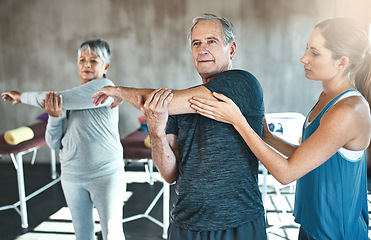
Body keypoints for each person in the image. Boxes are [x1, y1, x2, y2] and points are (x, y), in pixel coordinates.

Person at [189, 18, 371, 240]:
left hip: (338, 233)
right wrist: (267, 137)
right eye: (307, 49)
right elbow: (306, 157)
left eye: (314, 53)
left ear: (342, 62)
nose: (303, 58)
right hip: (314, 226)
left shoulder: (349, 110)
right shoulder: (326, 98)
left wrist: (239, 121)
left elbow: (287, 173)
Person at [92, 13, 267, 240]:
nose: (202, 49)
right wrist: (156, 133)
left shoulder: (243, 83)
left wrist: (118, 91)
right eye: (196, 43)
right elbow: (169, 173)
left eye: (211, 41)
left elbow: (165, 102)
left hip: (239, 222)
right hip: (187, 223)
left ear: (231, 50)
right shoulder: (178, 107)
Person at [2, 39, 126, 240]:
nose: (86, 64)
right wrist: (54, 115)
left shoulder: (106, 88)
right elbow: (53, 143)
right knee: (83, 234)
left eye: (93, 60)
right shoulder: (69, 98)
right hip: (72, 176)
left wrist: (21, 96)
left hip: (105, 174)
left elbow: (53, 98)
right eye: (82, 59)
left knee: (112, 234)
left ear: (106, 66)